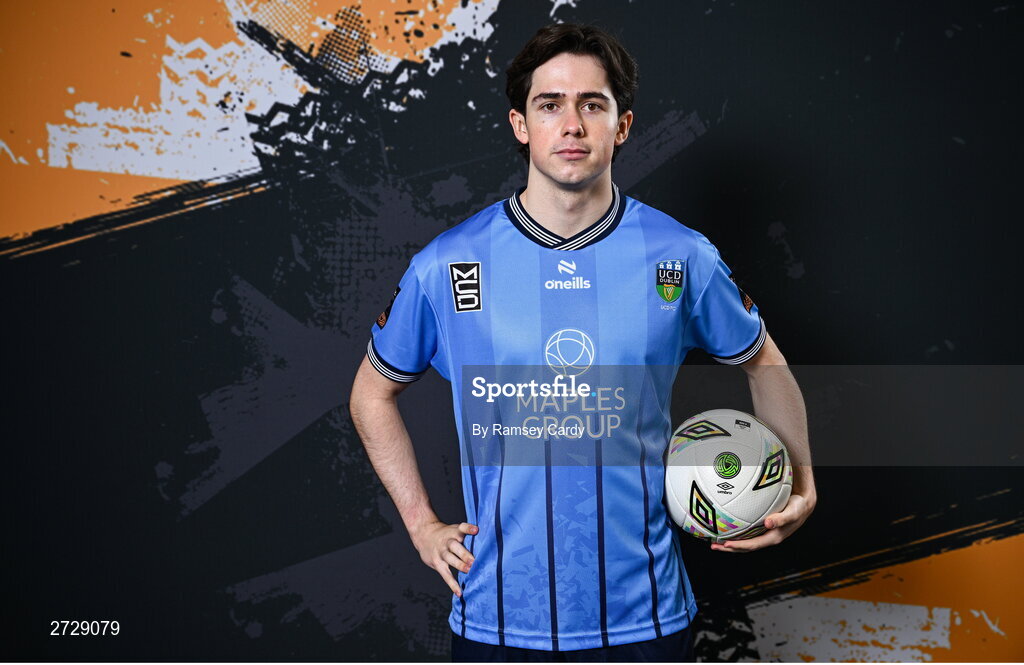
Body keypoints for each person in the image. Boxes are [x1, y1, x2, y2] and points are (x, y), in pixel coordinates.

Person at [349, 22, 816, 662]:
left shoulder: (678, 257)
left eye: (592, 105)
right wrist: (421, 524)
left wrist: (798, 478)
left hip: (645, 617)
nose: (572, 124)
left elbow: (765, 363)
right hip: (496, 618)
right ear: (521, 125)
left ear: (621, 126)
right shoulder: (449, 265)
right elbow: (372, 394)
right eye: (550, 105)